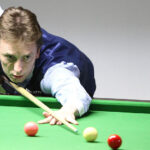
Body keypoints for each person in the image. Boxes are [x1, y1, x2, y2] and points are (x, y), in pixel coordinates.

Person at [0, 6, 96, 125]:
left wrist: (68, 110)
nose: (18, 69)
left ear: (38, 52)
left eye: (26, 57)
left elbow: (71, 90)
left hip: (74, 79)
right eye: (10, 57)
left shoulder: (54, 68)